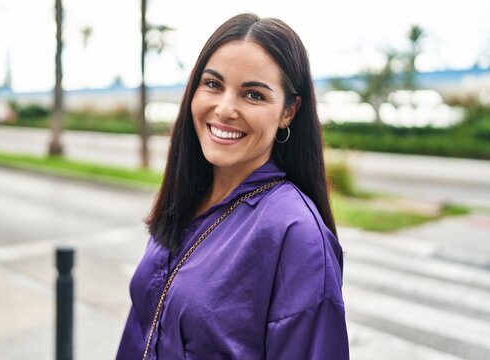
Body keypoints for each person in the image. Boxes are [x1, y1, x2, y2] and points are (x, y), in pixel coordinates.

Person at [116, 13, 349, 359]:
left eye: (253, 95)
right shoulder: (186, 196)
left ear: (289, 111)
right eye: (212, 84)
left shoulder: (297, 234)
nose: (224, 109)